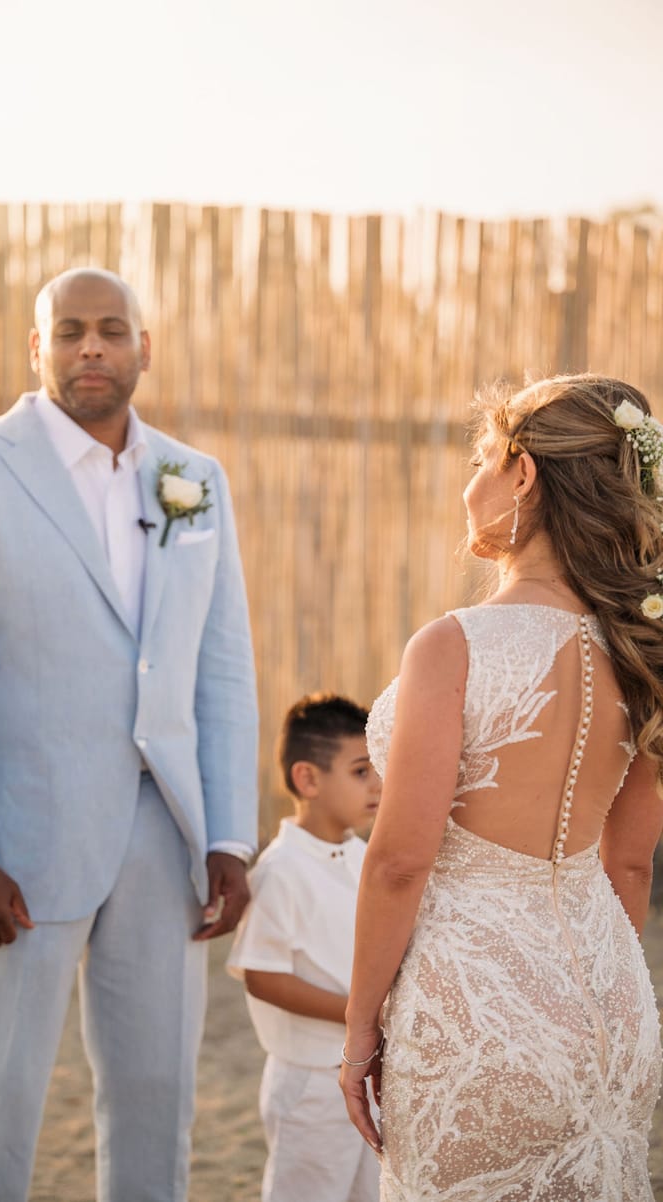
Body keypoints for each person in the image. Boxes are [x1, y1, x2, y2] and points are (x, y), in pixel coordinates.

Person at [0, 267, 259, 1202]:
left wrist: (227, 836)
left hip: (162, 833)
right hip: (15, 844)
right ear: (37, 348)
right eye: (68, 331)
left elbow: (220, 669)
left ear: (144, 348)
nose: (90, 346)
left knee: (157, 1100)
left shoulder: (193, 480)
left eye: (110, 329)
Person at [340, 374, 663, 1200]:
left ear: (524, 474)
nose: (469, 483)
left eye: (484, 458)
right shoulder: (643, 648)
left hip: (475, 1013)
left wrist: (359, 1029)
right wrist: (591, 988)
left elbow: (400, 861)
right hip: (613, 1006)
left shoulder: (453, 645)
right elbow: (629, 864)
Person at [228, 693, 381, 1201]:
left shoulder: (364, 857)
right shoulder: (280, 870)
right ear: (308, 779)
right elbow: (262, 975)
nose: (378, 784)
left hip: (370, 1069)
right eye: (361, 771)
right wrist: (360, 1015)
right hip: (310, 1084)